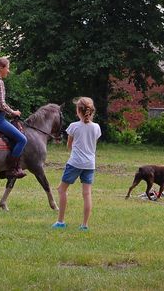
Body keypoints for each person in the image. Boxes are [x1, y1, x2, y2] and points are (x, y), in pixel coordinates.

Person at [52, 97, 102, 231]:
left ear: (78, 111)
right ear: (91, 111)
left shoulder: (73, 126)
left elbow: (69, 146)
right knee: (87, 194)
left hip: (75, 163)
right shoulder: (96, 127)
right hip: (90, 164)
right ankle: (84, 225)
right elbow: (93, 146)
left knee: (62, 190)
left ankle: (61, 221)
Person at [0, 57, 27, 179]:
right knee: (22, 139)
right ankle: (11, 169)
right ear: (0, 68)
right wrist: (14, 112)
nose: (8, 71)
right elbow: (1, 104)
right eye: (7, 68)